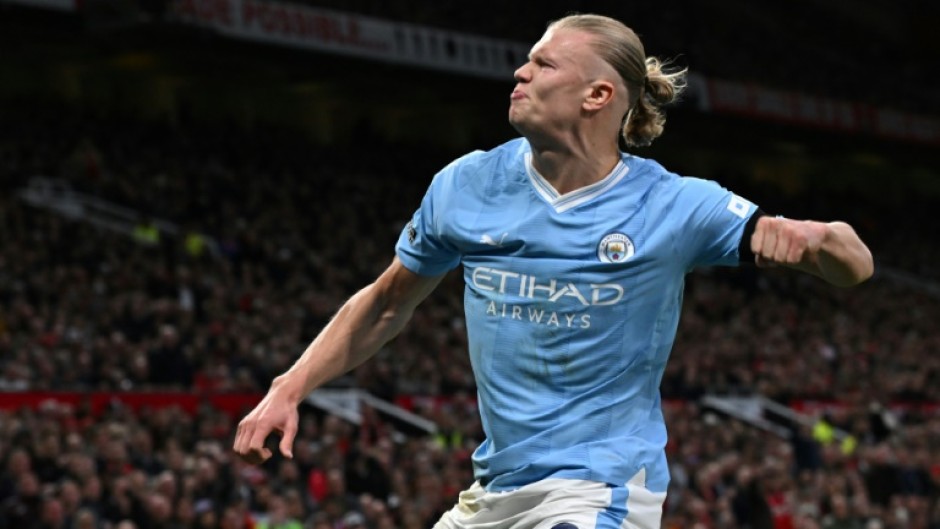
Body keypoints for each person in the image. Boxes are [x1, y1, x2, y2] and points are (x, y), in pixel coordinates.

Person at [233, 13, 873, 529]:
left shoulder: (674, 204)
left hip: (598, 487)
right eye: (527, 59)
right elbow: (385, 304)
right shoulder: (466, 184)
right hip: (495, 490)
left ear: (599, 95)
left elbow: (855, 265)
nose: (520, 71)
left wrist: (822, 241)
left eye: (544, 63)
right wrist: (288, 388)